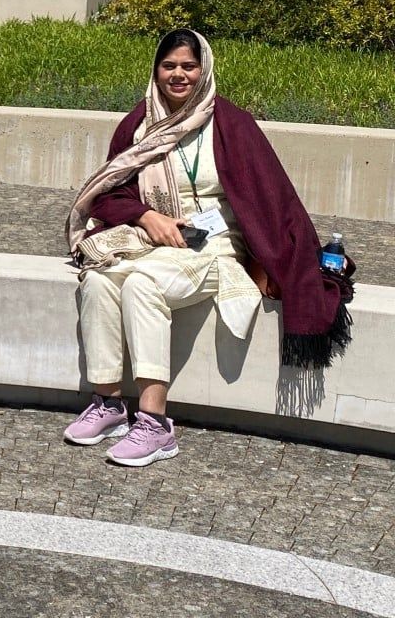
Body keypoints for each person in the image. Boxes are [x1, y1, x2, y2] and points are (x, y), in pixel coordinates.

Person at [64, 28, 352, 467]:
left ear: (204, 69)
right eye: (169, 66)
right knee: (100, 279)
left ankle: (155, 424)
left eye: (188, 66)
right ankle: (108, 405)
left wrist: (293, 257)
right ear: (156, 70)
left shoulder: (232, 125)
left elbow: (271, 196)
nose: (178, 75)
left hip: (217, 247)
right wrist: (147, 216)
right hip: (155, 239)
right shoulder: (140, 124)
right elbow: (107, 191)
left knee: (142, 285)